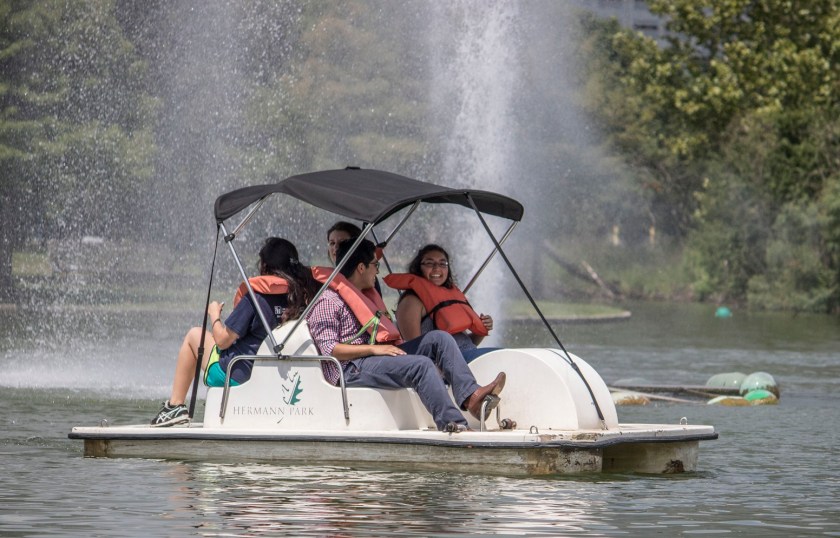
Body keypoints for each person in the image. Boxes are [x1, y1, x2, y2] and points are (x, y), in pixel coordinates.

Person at [306, 239, 506, 432]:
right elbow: (330, 350)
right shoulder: (328, 300)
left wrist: (378, 350)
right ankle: (454, 424)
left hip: (373, 357)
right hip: (350, 368)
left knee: (440, 338)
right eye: (375, 265)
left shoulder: (363, 296)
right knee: (421, 365)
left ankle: (471, 397)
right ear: (361, 267)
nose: (378, 270)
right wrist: (374, 349)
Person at [151, 237, 319, 427]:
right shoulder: (303, 297)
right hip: (278, 377)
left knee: (194, 335)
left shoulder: (256, 298)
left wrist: (214, 315)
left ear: (264, 266)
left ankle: (175, 406)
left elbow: (222, 340)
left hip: (237, 375)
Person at [387, 244, 498, 363]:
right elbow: (415, 350)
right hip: (449, 366)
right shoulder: (411, 301)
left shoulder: (448, 297)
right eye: (430, 263)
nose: (436, 268)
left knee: (508, 356)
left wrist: (482, 330)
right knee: (504, 360)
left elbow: (466, 343)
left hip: (469, 356)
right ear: (418, 268)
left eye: (442, 263)